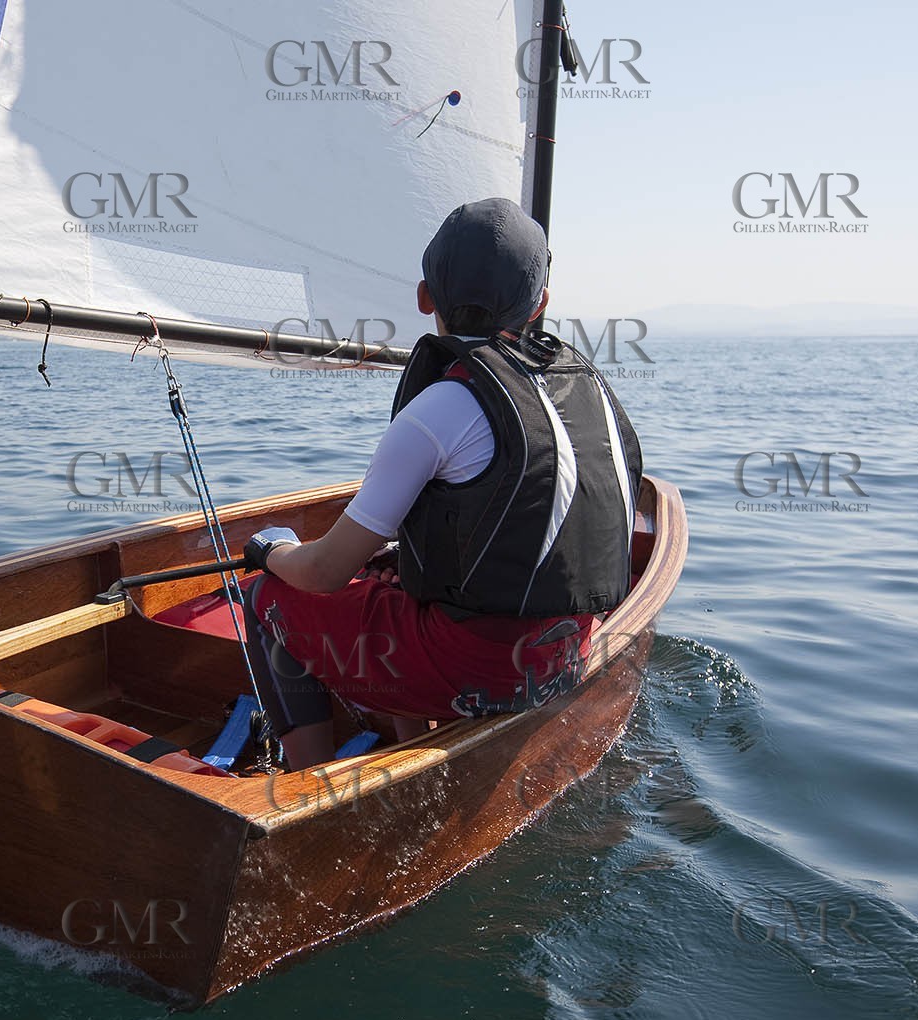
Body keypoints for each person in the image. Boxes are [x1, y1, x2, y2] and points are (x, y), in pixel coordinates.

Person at [240, 197, 643, 770]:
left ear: (425, 296)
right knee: (403, 584)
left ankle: (302, 779)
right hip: (564, 653)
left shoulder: (438, 409)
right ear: (540, 305)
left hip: (474, 669)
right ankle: (417, 749)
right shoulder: (592, 393)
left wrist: (272, 550)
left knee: (268, 598)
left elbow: (325, 573)